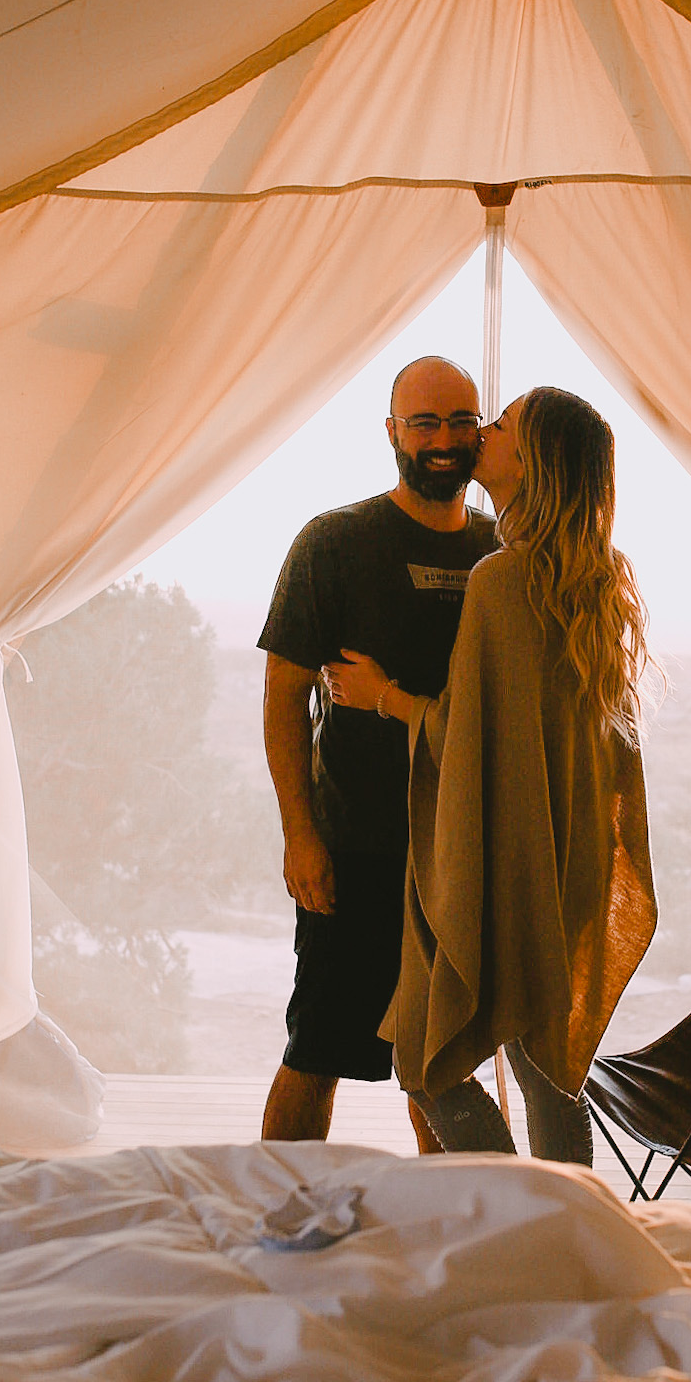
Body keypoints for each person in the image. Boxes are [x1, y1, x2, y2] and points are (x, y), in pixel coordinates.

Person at [325, 387, 657, 1158]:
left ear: (530, 460)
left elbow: (467, 738)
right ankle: (567, 1230)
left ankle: (519, 1213)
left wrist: (385, 698)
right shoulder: (596, 579)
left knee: (426, 1053)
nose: (481, 433)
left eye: (500, 425)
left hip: (506, 860)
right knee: (546, 1064)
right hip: (568, 857)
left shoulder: (502, 581)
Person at [258, 356, 498, 1149]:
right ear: (391, 430)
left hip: (462, 854)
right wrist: (301, 832)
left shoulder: (505, 555)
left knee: (442, 1061)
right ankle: (280, 1218)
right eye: (424, 421)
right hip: (355, 848)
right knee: (317, 1048)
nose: (442, 439)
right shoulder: (333, 542)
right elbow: (284, 695)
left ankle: (442, 1242)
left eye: (461, 421)